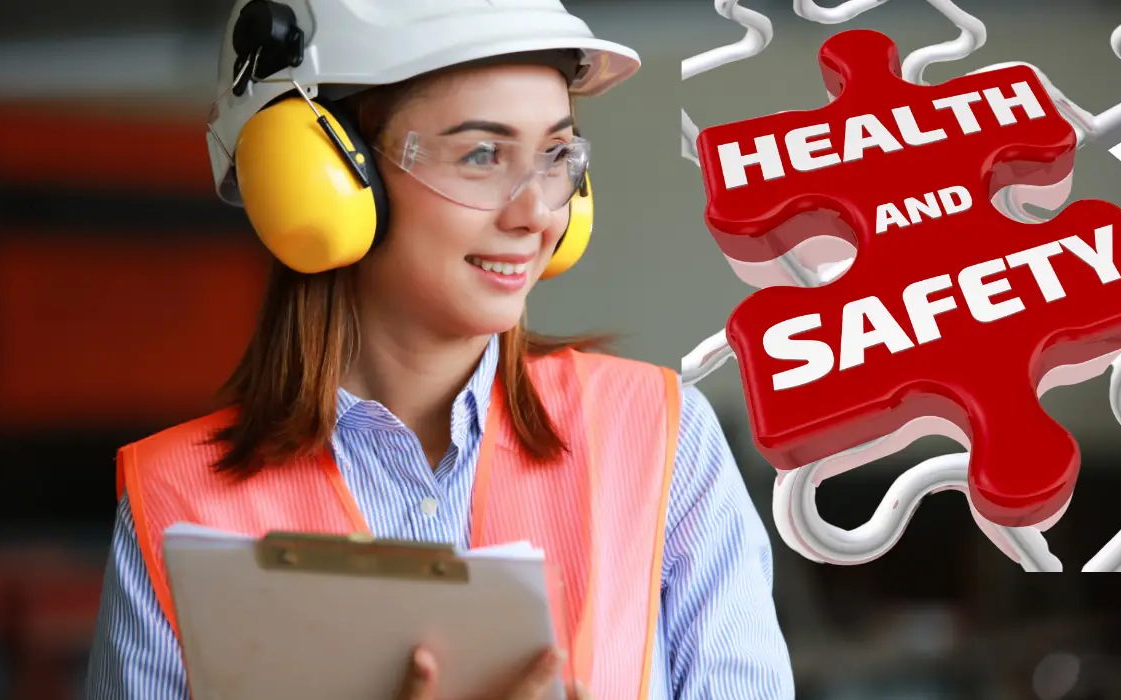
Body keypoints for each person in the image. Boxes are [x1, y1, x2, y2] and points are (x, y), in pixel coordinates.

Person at [84, 1, 795, 698]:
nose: (537, 212)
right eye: (481, 154)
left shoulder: (662, 439)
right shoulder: (175, 500)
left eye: (555, 155)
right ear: (323, 177)